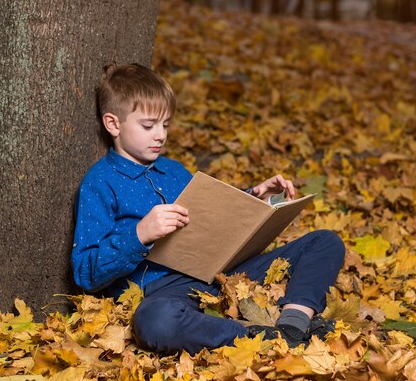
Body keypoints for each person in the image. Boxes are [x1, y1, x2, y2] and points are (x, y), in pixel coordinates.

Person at [71, 63, 345, 354]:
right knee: (155, 323)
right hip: (163, 290)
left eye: (166, 125)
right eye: (149, 126)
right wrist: (139, 234)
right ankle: (255, 337)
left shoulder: (173, 171)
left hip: (221, 272)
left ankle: (293, 324)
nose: (160, 135)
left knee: (325, 241)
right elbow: (86, 273)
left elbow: (209, 213)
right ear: (113, 124)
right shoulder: (100, 183)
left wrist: (255, 197)